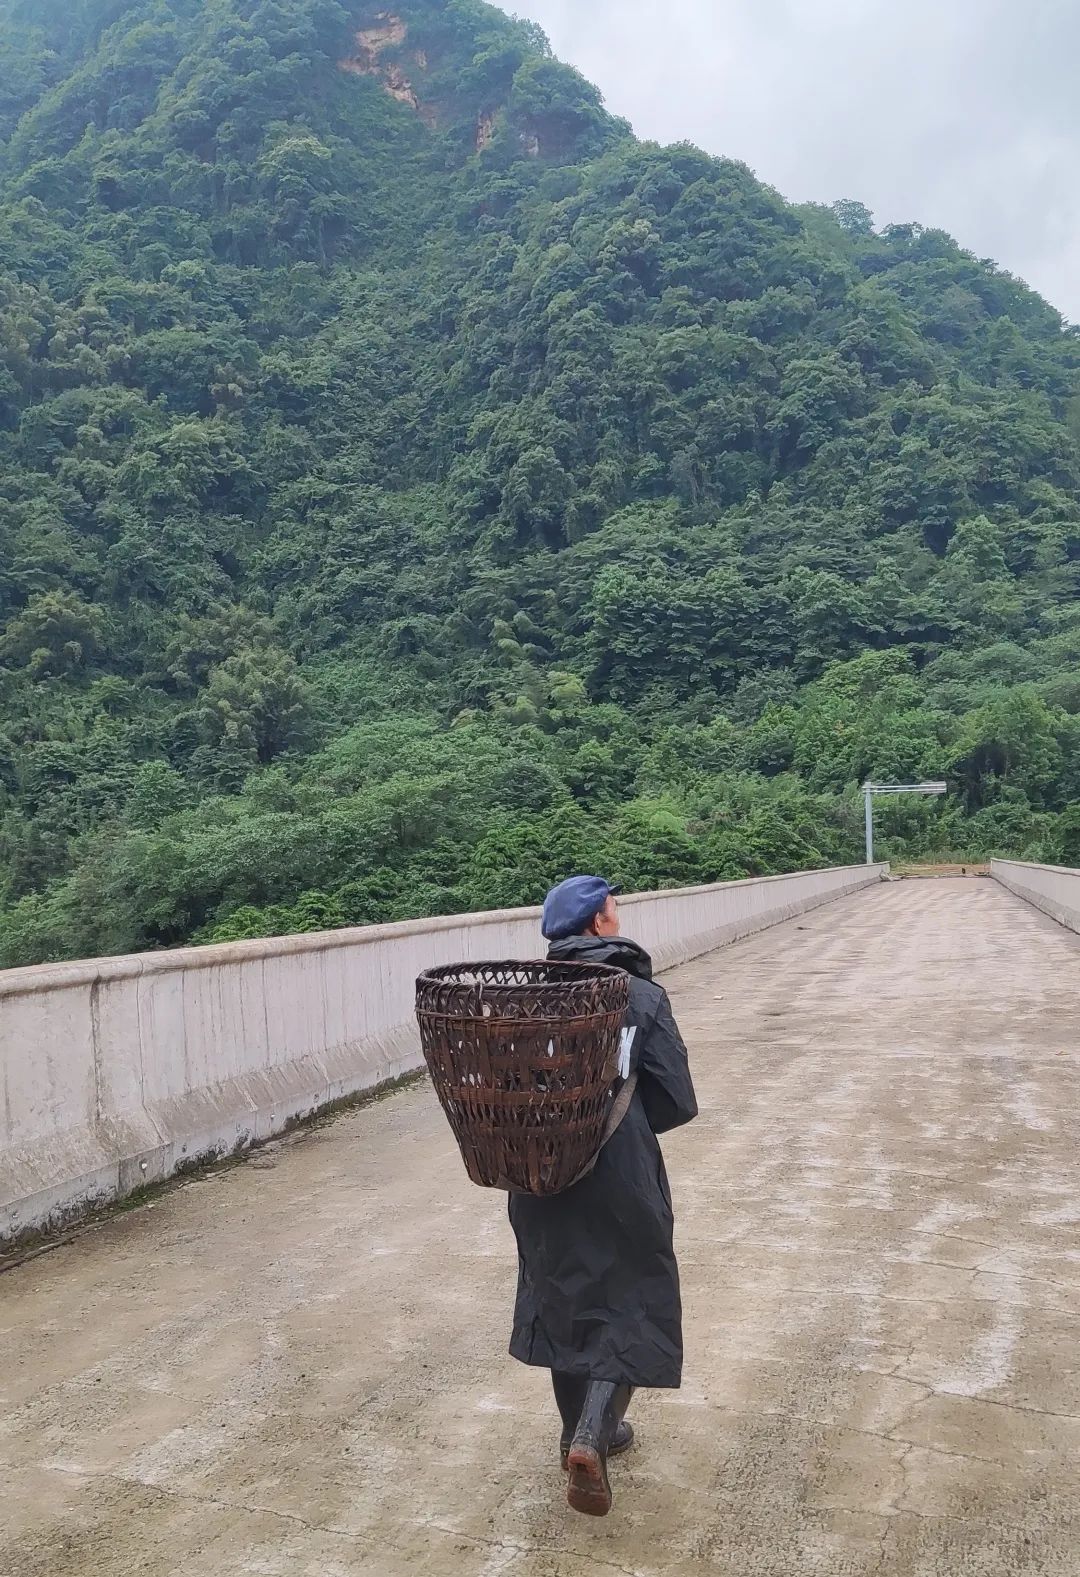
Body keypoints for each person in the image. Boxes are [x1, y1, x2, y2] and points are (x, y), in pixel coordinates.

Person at [508, 875, 698, 1517]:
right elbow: (676, 1100)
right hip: (620, 1172)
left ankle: (576, 1435)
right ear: (597, 925)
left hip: (537, 1170)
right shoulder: (640, 996)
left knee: (563, 1294)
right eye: (613, 912)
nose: (617, 920)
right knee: (632, 1294)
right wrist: (627, 1121)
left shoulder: (523, 999)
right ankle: (594, 1432)